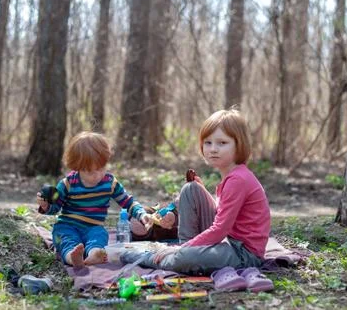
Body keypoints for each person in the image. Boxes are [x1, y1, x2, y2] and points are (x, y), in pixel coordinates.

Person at [121, 109, 271, 275]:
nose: (213, 149)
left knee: (184, 258)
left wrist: (181, 250)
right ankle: (186, 247)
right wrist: (200, 192)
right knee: (191, 188)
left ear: (239, 145)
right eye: (208, 143)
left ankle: (157, 256)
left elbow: (220, 229)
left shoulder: (237, 180)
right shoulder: (232, 176)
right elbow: (223, 213)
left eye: (222, 143)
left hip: (244, 254)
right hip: (229, 242)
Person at [36, 131, 151, 267]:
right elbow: (55, 208)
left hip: (93, 227)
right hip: (68, 226)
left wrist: (142, 214)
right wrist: (46, 206)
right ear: (77, 167)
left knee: (100, 235)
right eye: (90, 171)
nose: (97, 175)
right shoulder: (67, 184)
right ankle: (72, 258)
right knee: (64, 238)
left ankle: (94, 254)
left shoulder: (110, 183)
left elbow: (128, 202)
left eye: (101, 168)